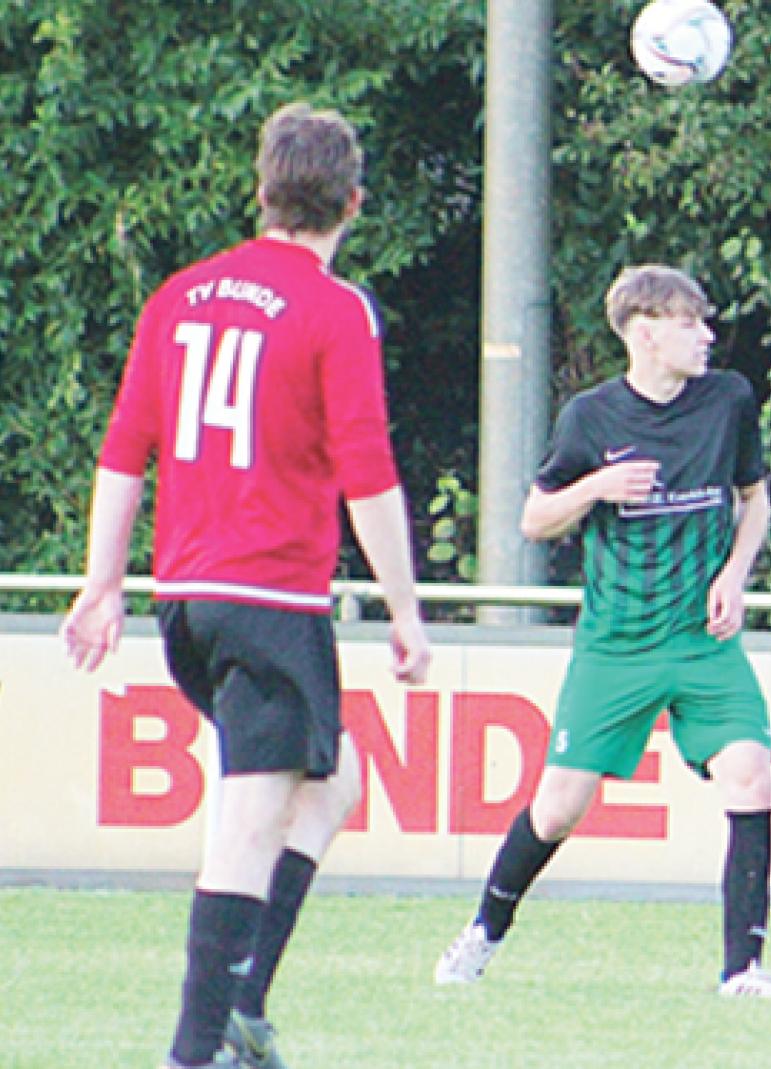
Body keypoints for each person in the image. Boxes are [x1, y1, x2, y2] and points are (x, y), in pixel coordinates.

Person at [61, 102, 432, 1069]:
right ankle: (196, 1051)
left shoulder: (179, 295)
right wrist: (404, 607)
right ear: (352, 203)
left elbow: (124, 450)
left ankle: (239, 1007)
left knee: (333, 780)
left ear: (260, 192)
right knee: (250, 819)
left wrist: (104, 582)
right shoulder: (334, 308)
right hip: (271, 600)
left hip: (187, 601)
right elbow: (368, 473)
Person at [433, 265, 771, 1000]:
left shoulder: (727, 399)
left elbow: (754, 498)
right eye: (690, 323)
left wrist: (734, 575)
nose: (707, 335)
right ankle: (482, 933)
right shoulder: (591, 419)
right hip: (616, 644)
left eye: (705, 321)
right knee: (557, 809)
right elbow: (534, 519)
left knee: (751, 773)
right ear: (645, 333)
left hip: (702, 640)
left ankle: (743, 971)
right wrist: (596, 487)